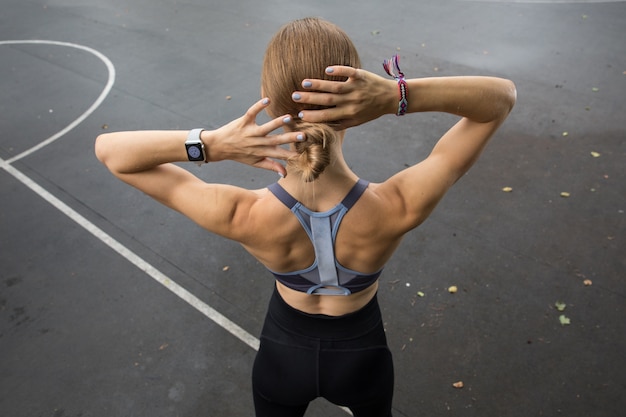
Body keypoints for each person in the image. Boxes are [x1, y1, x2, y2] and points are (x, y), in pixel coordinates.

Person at [95, 17, 516, 417]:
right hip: (361, 357)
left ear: (267, 93)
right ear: (357, 92)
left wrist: (210, 144)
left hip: (284, 355)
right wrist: (396, 96)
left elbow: (112, 153)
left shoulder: (240, 214)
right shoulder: (398, 205)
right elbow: (500, 99)